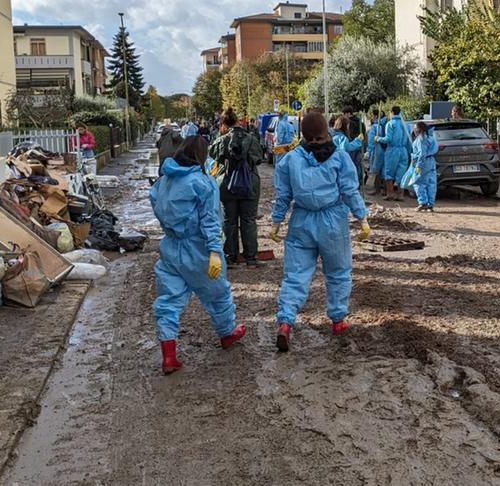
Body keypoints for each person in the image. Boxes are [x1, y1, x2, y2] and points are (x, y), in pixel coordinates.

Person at [269, 112, 371, 353]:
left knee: (295, 275)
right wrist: (362, 218)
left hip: (301, 221)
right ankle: (338, 320)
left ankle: (285, 321)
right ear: (327, 132)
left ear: (302, 135)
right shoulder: (340, 157)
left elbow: (283, 195)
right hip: (333, 221)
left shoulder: (291, 159)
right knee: (338, 272)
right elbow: (349, 190)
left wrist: (276, 222)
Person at [149, 136, 246, 373]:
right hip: (199, 248)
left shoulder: (163, 182)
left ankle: (168, 355)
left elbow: (157, 207)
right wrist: (214, 250)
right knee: (218, 293)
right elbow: (211, 220)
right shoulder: (203, 182)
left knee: (169, 300)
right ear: (201, 156)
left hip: (171, 248)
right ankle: (227, 333)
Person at [210, 108, 265, 268]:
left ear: (224, 124)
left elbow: (212, 153)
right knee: (249, 220)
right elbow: (259, 158)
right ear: (238, 122)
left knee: (229, 221)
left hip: (227, 184)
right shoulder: (251, 138)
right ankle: (251, 258)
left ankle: (230, 257)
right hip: (249, 183)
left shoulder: (222, 139)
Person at [381, 106, 410, 202]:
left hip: (393, 150)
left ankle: (390, 194)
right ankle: (400, 195)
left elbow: (388, 139)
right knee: (401, 173)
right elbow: (409, 141)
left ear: (392, 112)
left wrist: (378, 139)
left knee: (388, 172)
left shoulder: (390, 124)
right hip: (404, 150)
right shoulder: (405, 124)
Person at [410, 121, 439, 212]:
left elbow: (422, 153)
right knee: (431, 183)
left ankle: (423, 203)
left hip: (423, 162)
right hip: (431, 161)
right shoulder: (431, 137)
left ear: (420, 129)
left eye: (415, 128)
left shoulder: (421, 139)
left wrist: (418, 165)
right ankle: (430, 204)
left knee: (418, 182)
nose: (414, 130)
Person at [331, 116, 364, 183]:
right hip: (341, 166)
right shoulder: (342, 138)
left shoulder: (333, 136)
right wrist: (358, 140)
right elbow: (346, 148)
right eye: (348, 126)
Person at [366, 110, 384, 196]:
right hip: (385, 151)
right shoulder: (385, 125)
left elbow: (371, 141)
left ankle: (373, 189)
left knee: (373, 171)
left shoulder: (374, 127)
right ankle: (381, 189)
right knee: (382, 171)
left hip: (375, 150)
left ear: (376, 116)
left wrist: (369, 151)